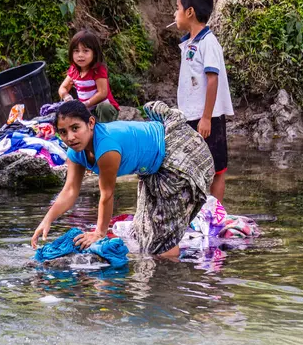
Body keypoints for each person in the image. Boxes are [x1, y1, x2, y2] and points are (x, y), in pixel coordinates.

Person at [31, 100, 215, 258]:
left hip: (176, 153)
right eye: (63, 132)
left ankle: (167, 282)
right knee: (146, 231)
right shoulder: (75, 153)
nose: (70, 137)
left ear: (91, 123)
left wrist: (99, 233)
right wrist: (47, 220)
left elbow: (107, 194)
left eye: (75, 128)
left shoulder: (106, 148)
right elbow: (70, 191)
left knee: (163, 239)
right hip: (150, 168)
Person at [174, 0, 234, 202]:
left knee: (216, 168)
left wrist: (207, 117)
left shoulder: (208, 42)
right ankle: (195, 213)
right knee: (190, 166)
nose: (175, 13)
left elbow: (212, 79)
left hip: (208, 117)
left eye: (177, 8)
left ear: (189, 12)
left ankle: (216, 211)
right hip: (190, 116)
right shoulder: (190, 42)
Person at [58, 30, 120, 123]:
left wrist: (86, 104)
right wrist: (66, 97)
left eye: (85, 51)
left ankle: (106, 131)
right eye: (76, 51)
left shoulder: (98, 70)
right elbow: (63, 88)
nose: (80, 55)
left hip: (104, 110)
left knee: (104, 107)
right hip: (87, 111)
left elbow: (102, 93)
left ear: (94, 53)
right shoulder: (74, 70)